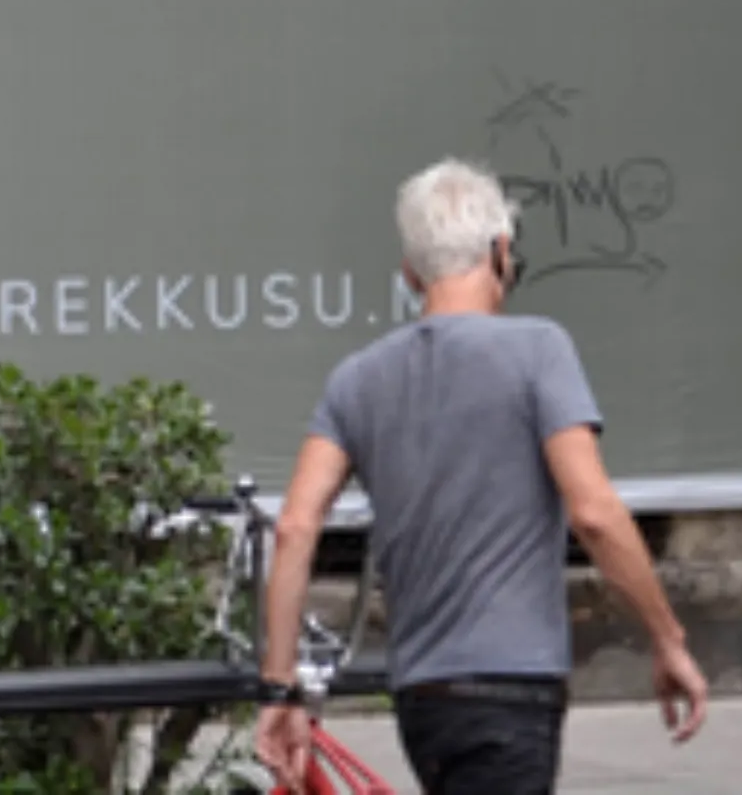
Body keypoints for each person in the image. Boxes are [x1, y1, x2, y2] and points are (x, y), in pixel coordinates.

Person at [254, 157, 708, 794]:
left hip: (420, 695)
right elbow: (595, 513)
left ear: (410, 273)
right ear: (502, 251)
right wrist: (668, 637)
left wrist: (280, 686)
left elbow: (296, 527)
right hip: (513, 688)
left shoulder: (355, 379)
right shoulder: (539, 350)